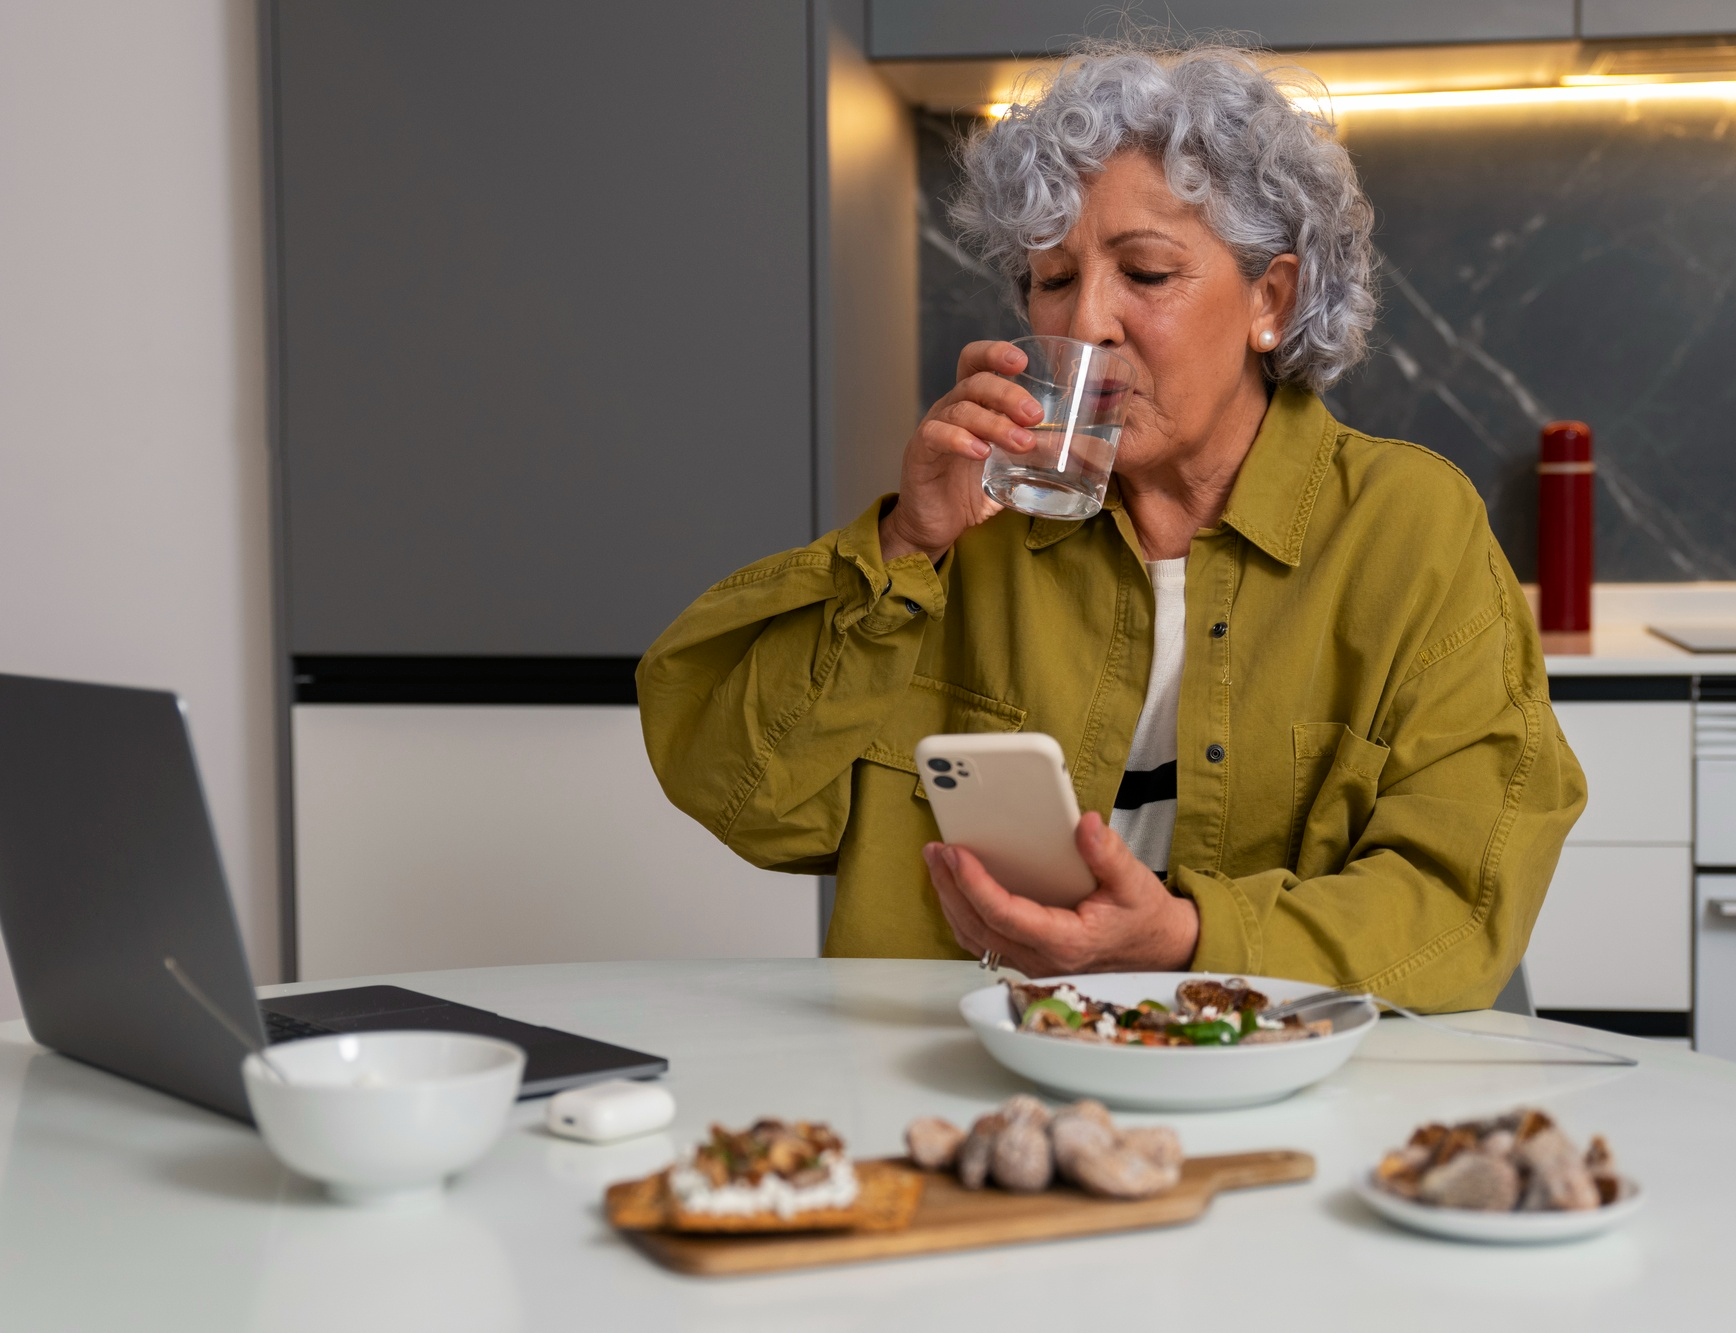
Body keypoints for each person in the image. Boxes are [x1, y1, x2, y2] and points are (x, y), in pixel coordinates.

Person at [637, 42, 1585, 1010]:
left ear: (1271, 298)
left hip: (1284, 1094)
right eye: (1051, 280)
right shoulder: (964, 534)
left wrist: (1187, 942)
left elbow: (1459, 902)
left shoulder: (1407, 534)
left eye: (1143, 271)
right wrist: (902, 549)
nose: (1086, 319)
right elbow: (738, 794)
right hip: (974, 1090)